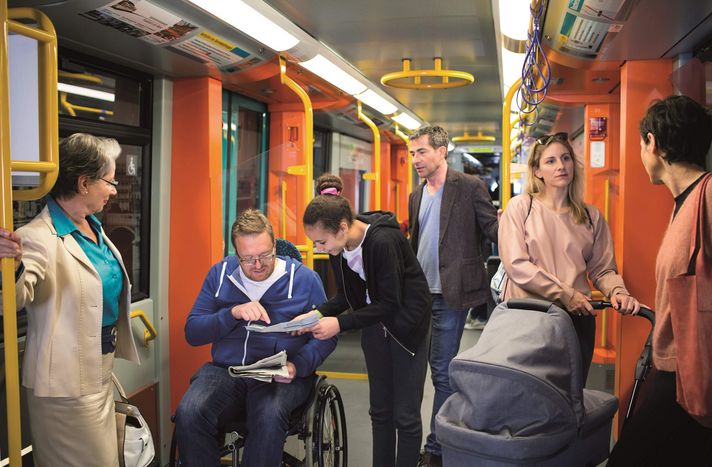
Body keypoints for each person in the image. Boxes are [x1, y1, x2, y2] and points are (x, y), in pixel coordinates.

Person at [0, 133, 139, 466]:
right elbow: (14, 300)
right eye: (110, 180)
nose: (115, 190)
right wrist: (12, 266)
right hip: (64, 388)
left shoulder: (92, 227)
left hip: (100, 372)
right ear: (83, 183)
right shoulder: (37, 237)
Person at [175, 209, 336, 466]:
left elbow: (326, 337)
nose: (258, 265)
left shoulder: (305, 280)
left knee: (268, 415)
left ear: (275, 245)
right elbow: (193, 332)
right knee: (190, 411)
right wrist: (232, 314)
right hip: (227, 371)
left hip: (281, 374)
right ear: (235, 254)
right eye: (248, 259)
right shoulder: (219, 275)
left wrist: (299, 365)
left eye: (265, 255)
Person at [296, 174, 431, 467]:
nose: (318, 248)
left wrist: (340, 324)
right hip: (375, 325)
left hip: (407, 328)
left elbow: (390, 303)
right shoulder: (338, 246)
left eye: (321, 241)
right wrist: (318, 313)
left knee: (405, 415)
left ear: (343, 227)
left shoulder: (383, 241)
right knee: (380, 411)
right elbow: (346, 295)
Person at [608, 95, 712, 466]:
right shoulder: (684, 201)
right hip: (676, 364)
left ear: (652, 143)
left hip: (690, 367)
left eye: (641, 144)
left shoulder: (708, 196)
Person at [498, 131, 640, 382]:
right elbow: (516, 265)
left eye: (566, 158)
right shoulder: (521, 207)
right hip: (529, 317)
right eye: (550, 161)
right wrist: (565, 293)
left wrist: (618, 292)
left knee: (571, 398)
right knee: (527, 396)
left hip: (576, 320)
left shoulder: (591, 216)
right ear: (537, 171)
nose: (561, 166)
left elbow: (603, 269)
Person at [407, 125, 498, 467]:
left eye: (422, 152)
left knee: (443, 372)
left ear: (441, 151)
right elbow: (416, 243)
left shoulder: (470, 187)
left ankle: (437, 448)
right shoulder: (417, 194)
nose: (415, 159)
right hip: (418, 296)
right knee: (418, 369)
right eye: (412, 153)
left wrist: (518, 225)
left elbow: (492, 229)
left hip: (450, 293)